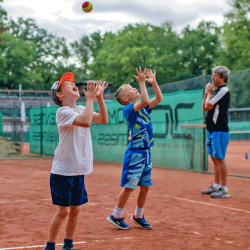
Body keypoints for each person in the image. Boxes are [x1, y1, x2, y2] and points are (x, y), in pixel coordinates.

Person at [44, 72, 108, 250]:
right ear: (60, 94)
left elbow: (102, 119)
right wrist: (90, 99)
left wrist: (99, 98)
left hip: (78, 170)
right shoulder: (62, 111)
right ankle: (49, 246)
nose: (73, 84)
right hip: (63, 171)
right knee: (63, 211)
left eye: (72, 83)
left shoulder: (81, 108)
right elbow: (86, 122)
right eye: (67, 84)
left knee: (75, 210)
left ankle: (68, 245)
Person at [107, 67, 163, 229]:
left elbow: (158, 98)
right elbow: (145, 100)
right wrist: (142, 82)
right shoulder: (128, 109)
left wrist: (153, 82)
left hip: (146, 153)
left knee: (145, 187)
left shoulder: (143, 107)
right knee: (130, 186)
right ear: (125, 99)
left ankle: (138, 215)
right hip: (135, 154)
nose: (135, 88)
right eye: (131, 89)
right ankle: (116, 214)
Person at [201, 66, 231, 198]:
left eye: (215, 75)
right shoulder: (217, 91)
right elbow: (204, 107)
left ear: (223, 77)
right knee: (214, 158)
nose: (212, 78)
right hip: (212, 130)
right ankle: (216, 185)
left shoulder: (224, 90)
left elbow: (208, 105)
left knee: (219, 159)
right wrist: (206, 94)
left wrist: (208, 94)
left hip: (219, 130)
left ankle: (224, 189)